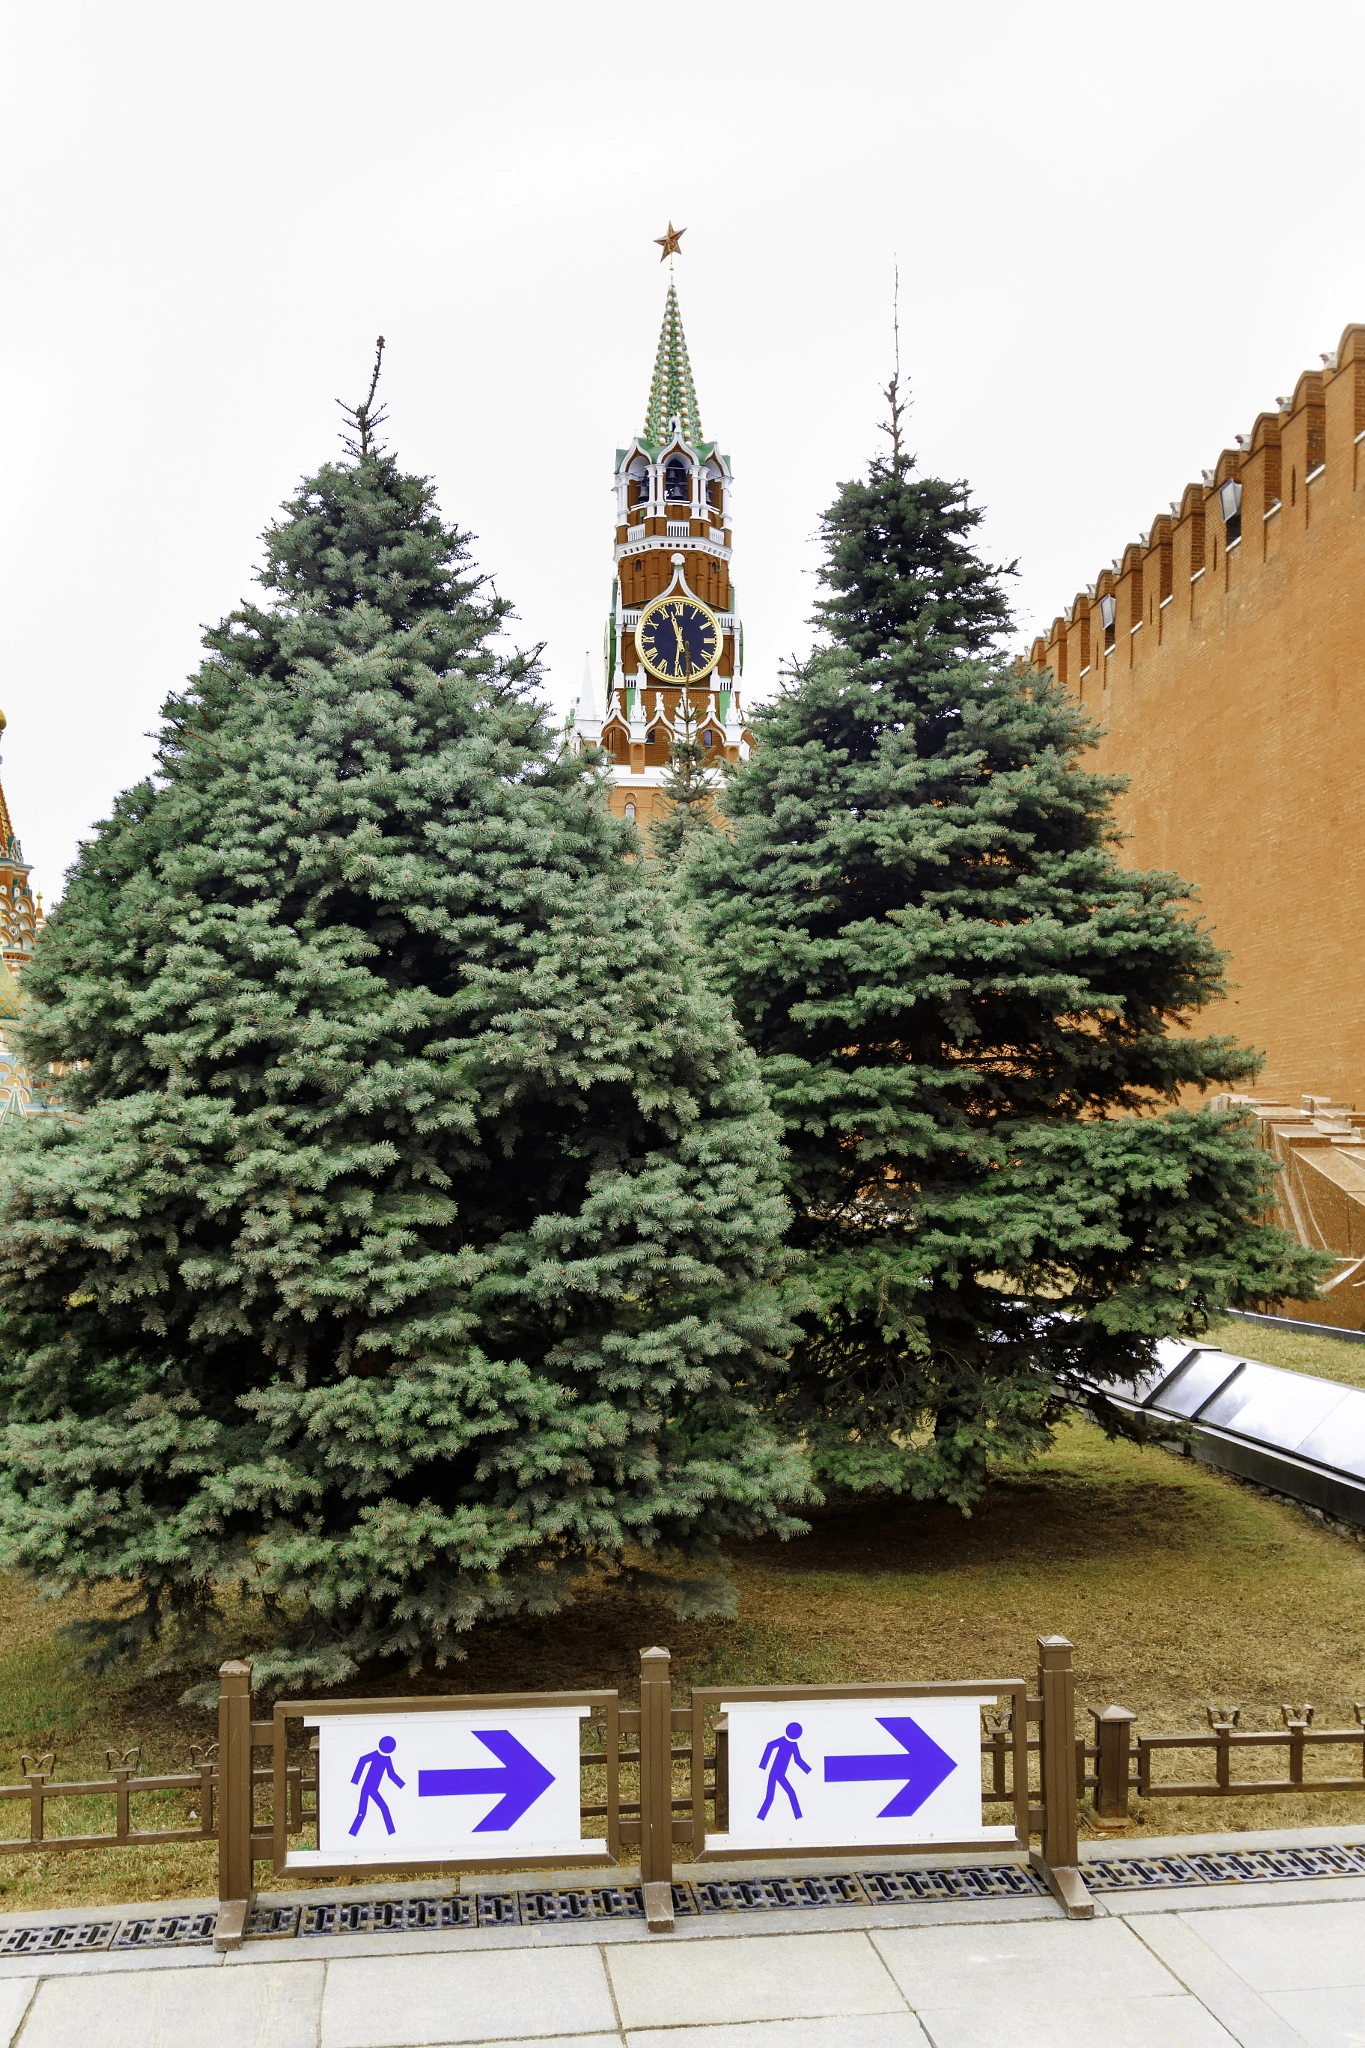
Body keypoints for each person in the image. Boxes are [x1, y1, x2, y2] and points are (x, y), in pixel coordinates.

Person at [349, 1735, 405, 1836]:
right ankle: (352, 1834)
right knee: (363, 1812)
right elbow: (362, 1760)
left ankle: (392, 1833)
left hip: (373, 1789)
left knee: (382, 1809)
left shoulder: (387, 1759)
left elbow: (391, 1774)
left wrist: (402, 1785)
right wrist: (355, 1780)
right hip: (367, 1788)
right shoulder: (375, 1755)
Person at [758, 1721, 811, 1821]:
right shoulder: (782, 1741)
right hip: (775, 1773)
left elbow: (797, 1760)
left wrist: (808, 1770)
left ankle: (798, 1817)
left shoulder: (794, 1745)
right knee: (773, 1797)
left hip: (780, 1774)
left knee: (779, 1795)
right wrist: (763, 1765)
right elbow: (770, 1745)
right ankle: (798, 1817)